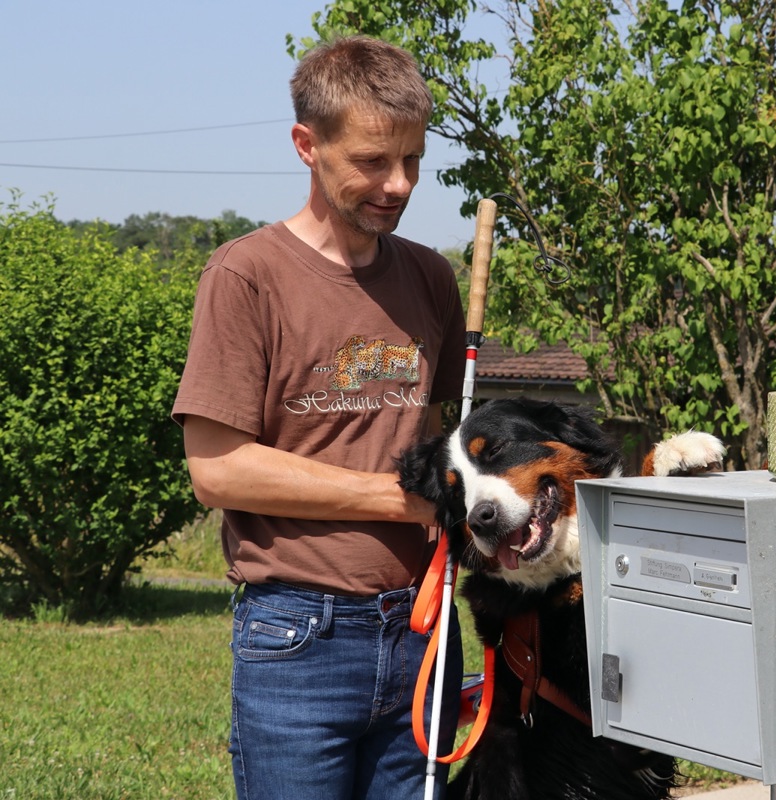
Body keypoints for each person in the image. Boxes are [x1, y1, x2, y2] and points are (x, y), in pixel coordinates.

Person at [172, 35, 466, 800]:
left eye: (413, 160)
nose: (397, 184)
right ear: (307, 145)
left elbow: (436, 437)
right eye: (373, 161)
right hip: (298, 638)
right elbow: (217, 467)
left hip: (425, 627)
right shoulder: (247, 275)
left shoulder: (432, 277)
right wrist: (390, 499)